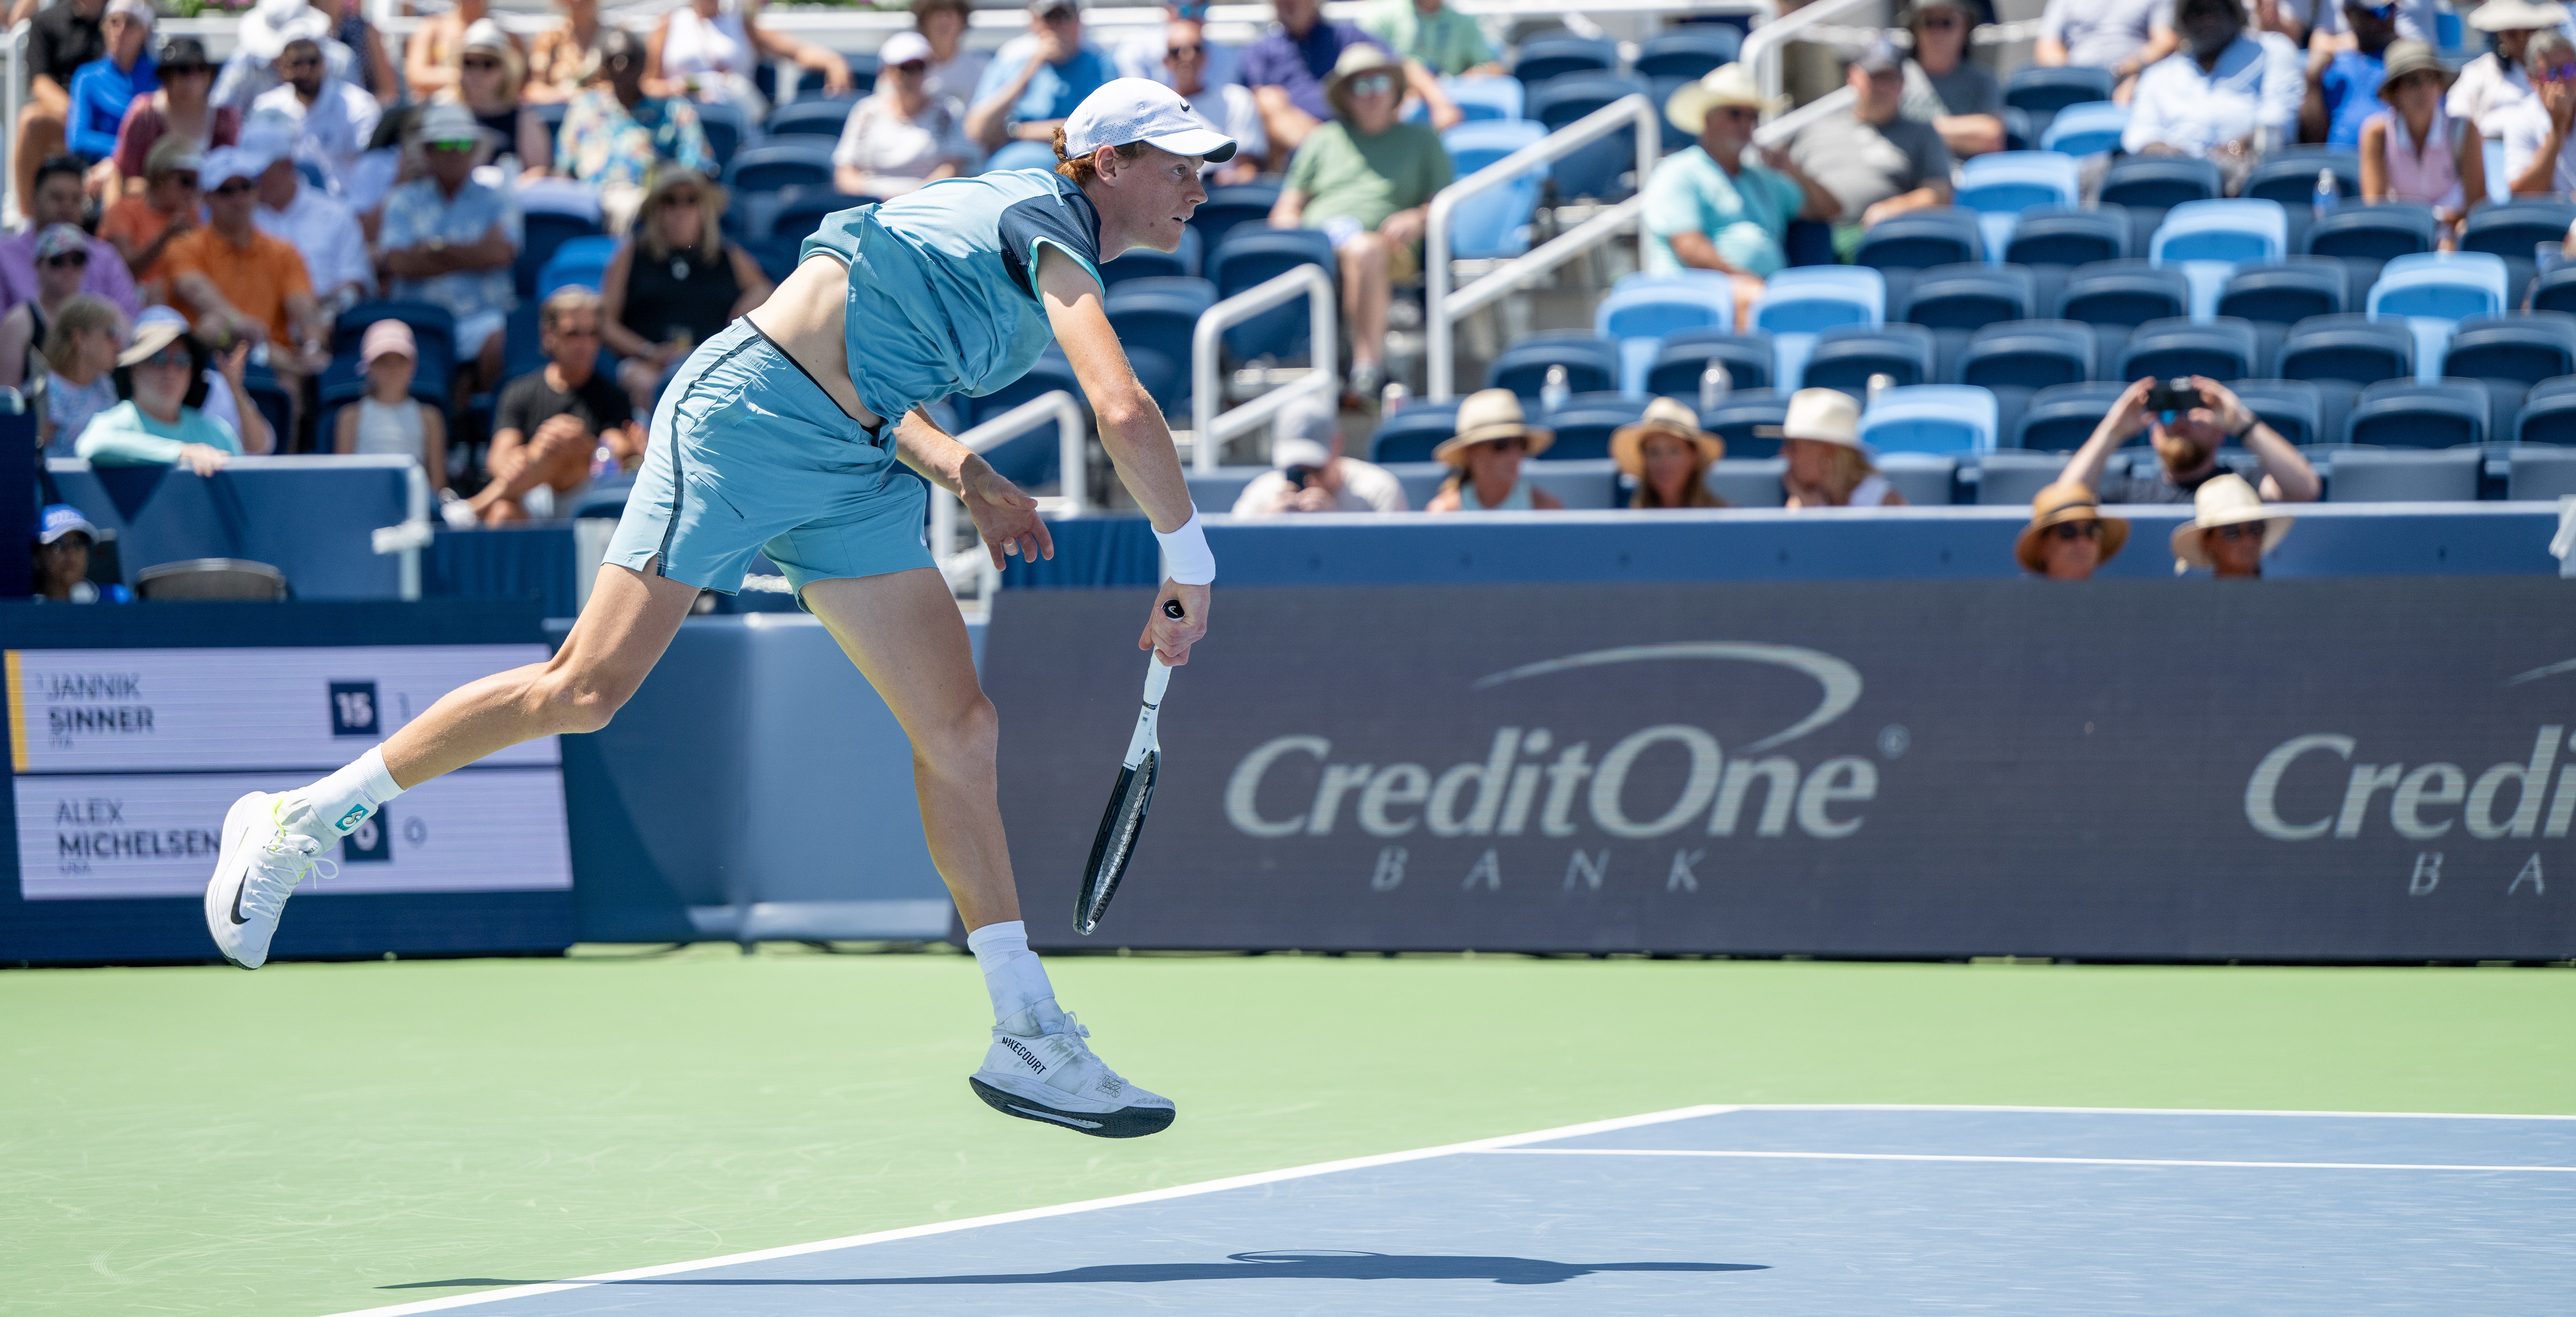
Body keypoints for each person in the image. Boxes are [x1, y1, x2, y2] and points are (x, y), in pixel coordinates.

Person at [202, 79, 1228, 1147]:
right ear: (1106, 164)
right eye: (1178, 165)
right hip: (745, 421)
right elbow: (1118, 406)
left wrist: (961, 466)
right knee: (584, 690)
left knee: (960, 730)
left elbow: (872, 358)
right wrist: (1186, 558)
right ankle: (298, 821)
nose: (1198, 189)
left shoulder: (1021, 228)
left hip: (856, 462)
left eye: (1206, 170)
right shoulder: (1039, 222)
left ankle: (1026, 1026)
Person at [1268, 45, 1450, 403]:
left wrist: (1416, 217)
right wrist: (1292, 235)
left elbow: (1444, 204)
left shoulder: (1423, 140)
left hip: (1388, 249)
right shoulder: (1322, 140)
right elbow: (1288, 207)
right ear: (1346, 96)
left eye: (1379, 81)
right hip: (1320, 249)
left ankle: (1367, 368)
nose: (1372, 93)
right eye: (1360, 86)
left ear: (1395, 89)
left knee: (1364, 249)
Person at [1646, 64, 1833, 328]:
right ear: (1707, 119)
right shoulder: (1678, 172)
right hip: (1696, 292)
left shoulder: (1764, 179)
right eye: (1735, 114)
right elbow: (1689, 247)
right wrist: (1747, 281)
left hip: (1761, 291)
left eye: (1752, 116)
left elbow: (1829, 209)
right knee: (1756, 302)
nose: (1746, 124)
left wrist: (1794, 171)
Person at [600, 169, 773, 412]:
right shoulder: (631, 255)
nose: (681, 210)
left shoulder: (729, 257)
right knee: (648, 385)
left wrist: (741, 315)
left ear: (704, 211)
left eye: (691, 200)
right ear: (656, 211)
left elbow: (769, 294)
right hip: (646, 365)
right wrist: (648, 351)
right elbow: (605, 323)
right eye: (670, 201)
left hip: (713, 365)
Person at [380, 103, 521, 398]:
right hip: (420, 318)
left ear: (474, 149)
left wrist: (433, 249)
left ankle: (483, 418)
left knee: (499, 337)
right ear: (428, 151)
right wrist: (476, 253)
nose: (454, 152)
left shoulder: (497, 199)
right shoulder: (402, 200)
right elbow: (399, 262)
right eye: (444, 143)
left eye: (463, 143)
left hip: (482, 316)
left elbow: (502, 253)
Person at [162, 147, 332, 386]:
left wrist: (314, 346)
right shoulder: (185, 246)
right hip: (211, 361)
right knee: (213, 328)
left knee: (292, 384)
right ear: (207, 197)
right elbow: (195, 290)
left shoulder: (283, 251)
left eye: (246, 187)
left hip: (274, 365)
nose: (239, 198)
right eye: (227, 191)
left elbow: (304, 306)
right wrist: (238, 324)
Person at [473, 287, 640, 523]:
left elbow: (615, 453)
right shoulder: (520, 391)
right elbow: (499, 457)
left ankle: (473, 510)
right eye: (573, 334)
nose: (585, 344)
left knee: (564, 439)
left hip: (586, 494)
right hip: (533, 492)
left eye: (592, 334)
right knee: (503, 515)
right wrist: (535, 456)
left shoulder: (613, 395)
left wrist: (579, 446)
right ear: (548, 335)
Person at [1788, 40, 1953, 255]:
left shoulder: (1921, 133)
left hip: (1879, 240)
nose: (1881, 87)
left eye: (1889, 78)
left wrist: (1894, 209)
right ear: (1852, 78)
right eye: (1874, 77)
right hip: (1811, 235)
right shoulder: (1815, 129)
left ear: (1902, 84)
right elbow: (1785, 185)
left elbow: (1940, 194)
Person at [1242, 0, 1459, 158]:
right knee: (1267, 101)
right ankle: (1332, 158)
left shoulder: (1345, 36)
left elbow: (1403, 66)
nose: (1290, 4)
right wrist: (1326, 144)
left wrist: (1441, 105)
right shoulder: (1262, 50)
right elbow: (1262, 102)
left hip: (1364, 131)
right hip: (1302, 150)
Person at [2123, 0, 2304, 187]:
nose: (2207, 19)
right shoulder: (2159, 74)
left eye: (2215, 9)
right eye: (2197, 11)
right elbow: (2141, 137)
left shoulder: (2272, 50)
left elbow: (2278, 122)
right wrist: (2189, 165)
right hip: (2177, 183)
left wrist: (2234, 152)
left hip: (2249, 176)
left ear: (2235, 13)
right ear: (2182, 21)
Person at [2060, 375, 2321, 505]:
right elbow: (2063, 502)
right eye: (2169, 414)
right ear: (2153, 435)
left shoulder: (2243, 484)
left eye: (2194, 413)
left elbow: (2304, 490)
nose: (2181, 423)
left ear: (2220, 433)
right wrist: (2111, 432)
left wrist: (2243, 423)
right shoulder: (2132, 494)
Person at [556, 29, 716, 232]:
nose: (620, 67)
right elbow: (564, 168)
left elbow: (697, 169)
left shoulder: (673, 110)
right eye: (612, 60)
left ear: (643, 64)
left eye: (628, 59)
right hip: (592, 202)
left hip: (649, 207)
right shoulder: (584, 107)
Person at [76, 314, 271, 470]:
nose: (171, 371)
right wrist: (183, 452)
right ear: (135, 370)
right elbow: (93, 444)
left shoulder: (218, 433)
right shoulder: (115, 422)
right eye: (159, 359)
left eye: (182, 361)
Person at [968, 0, 1118, 171]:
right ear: (1034, 23)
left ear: (1078, 22)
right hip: (1008, 174)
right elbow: (977, 130)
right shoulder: (1012, 58)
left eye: (1064, 17)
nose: (1056, 27)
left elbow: (1102, 127)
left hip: (1075, 176)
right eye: (1049, 17)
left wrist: (1016, 132)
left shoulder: (1100, 64)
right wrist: (1029, 72)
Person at [2361, 41, 2484, 235]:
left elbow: (2477, 210)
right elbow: (2376, 210)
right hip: (2402, 238)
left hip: (2456, 239)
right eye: (2413, 82)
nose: (2425, 89)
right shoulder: (2377, 135)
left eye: (2432, 79)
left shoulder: (2465, 130)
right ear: (2395, 92)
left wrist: (2449, 236)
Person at [647, 0, 851, 115]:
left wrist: (834, 62)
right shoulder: (669, 24)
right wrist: (675, 88)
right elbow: (648, 83)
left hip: (737, 115)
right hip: (686, 117)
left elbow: (797, 52)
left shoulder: (741, 24)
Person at [835, 31, 976, 196]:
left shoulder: (950, 110)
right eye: (905, 68)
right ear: (887, 72)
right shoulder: (866, 111)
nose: (913, 75)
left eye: (919, 67)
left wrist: (911, 198)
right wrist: (875, 198)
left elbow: (955, 166)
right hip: (869, 203)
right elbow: (845, 171)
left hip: (930, 202)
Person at [0, 156, 141, 319]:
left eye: (76, 199)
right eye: (57, 198)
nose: (67, 207)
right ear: (34, 200)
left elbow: (130, 322)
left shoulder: (105, 257)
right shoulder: (5, 257)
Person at [250, 134, 372, 312]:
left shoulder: (336, 213)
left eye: (259, 174)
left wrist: (315, 314)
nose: (253, 184)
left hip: (329, 322)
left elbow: (354, 284)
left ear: (287, 166)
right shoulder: (242, 218)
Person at [252, 33, 381, 193]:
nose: (306, 71)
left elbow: (373, 165)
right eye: (297, 64)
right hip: (287, 206)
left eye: (313, 62)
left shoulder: (358, 105)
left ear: (324, 64)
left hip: (344, 202)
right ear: (282, 68)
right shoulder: (267, 108)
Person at [108, 38, 235, 200]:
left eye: (201, 69)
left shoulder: (226, 118)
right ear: (167, 76)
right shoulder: (145, 114)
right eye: (184, 70)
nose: (194, 77)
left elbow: (233, 179)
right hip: (152, 213)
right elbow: (122, 176)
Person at [1229, 396, 1404, 514]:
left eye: (1315, 469)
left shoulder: (1379, 491)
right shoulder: (1261, 494)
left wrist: (1335, 526)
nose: (1308, 481)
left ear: (1337, 445)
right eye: (1295, 472)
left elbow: (1394, 562)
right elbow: (1230, 557)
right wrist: (1264, 528)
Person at [333, 319, 448, 492]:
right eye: (383, 362)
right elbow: (342, 480)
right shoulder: (349, 416)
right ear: (368, 367)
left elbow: (438, 484)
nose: (392, 369)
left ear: (413, 366)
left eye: (400, 361)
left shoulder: (430, 417)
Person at [16, 0, 105, 208]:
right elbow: (40, 81)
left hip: (116, 113)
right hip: (68, 117)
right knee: (31, 121)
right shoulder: (46, 21)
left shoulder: (123, 18)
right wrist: (81, 114)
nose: (122, 28)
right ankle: (30, 222)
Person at [435, 20, 546, 176]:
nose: (477, 72)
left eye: (489, 63)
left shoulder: (524, 119)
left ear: (504, 71)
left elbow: (537, 172)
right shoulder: (441, 113)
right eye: (469, 62)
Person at [0, 226, 103, 391]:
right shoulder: (20, 323)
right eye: (58, 261)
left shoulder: (101, 316)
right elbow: (7, 399)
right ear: (38, 266)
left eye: (77, 260)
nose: (68, 269)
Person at [1425, 388, 1563, 511]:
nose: (1515, 454)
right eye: (1502, 444)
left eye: (1521, 443)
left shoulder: (1546, 510)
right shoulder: (1444, 514)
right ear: (1471, 451)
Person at [1766, 388, 1903, 509]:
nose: (1784, 453)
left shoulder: (1885, 503)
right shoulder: (1800, 503)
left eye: (1793, 446)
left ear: (1830, 450)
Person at [1900, 0, 2004, 160]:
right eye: (1929, 23)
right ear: (1915, 28)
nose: (1938, 32)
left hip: (1966, 178)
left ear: (1965, 27)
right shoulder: (1895, 78)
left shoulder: (1983, 81)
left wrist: (1918, 132)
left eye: (1947, 23)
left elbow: (1991, 136)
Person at [2451, 0, 2563, 147]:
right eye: (2512, 33)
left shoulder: (2564, 72)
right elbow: (2457, 126)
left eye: (2530, 32)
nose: (2523, 40)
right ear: (2499, 36)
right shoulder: (2476, 75)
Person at [1166, 17, 1265, 183]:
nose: (1187, 56)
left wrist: (1233, 180)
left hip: (1225, 199)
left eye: (1195, 49)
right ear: (1165, 61)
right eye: (1176, 51)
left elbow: (1248, 167)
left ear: (1206, 56)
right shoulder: (1156, 108)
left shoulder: (1236, 99)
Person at [215, 0, 358, 114]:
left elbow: (355, 113)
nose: (303, 70)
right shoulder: (245, 61)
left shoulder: (340, 61)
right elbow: (222, 110)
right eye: (296, 63)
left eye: (311, 62)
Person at [100, 137, 197, 302]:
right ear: (160, 178)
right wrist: (166, 237)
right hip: (129, 299)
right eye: (186, 181)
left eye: (196, 182)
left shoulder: (191, 215)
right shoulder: (123, 210)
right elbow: (127, 271)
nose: (192, 190)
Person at [64, 0, 154, 167]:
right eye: (114, 22)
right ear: (104, 27)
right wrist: (126, 152)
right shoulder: (87, 77)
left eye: (131, 23)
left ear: (146, 32)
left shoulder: (163, 77)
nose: (121, 30)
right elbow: (78, 140)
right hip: (101, 173)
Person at [33, 294, 121, 456]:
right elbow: (35, 459)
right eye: (111, 334)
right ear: (80, 338)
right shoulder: (46, 390)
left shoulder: (105, 385)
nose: (118, 344)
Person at [2034, 0, 2174, 102]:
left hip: (2135, 79)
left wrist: (2130, 68)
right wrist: (2073, 78)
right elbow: (2047, 47)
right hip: (2081, 84)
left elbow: (2165, 41)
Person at [2303, 0, 2397, 149]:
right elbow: (2313, 142)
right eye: (2377, 12)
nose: (2387, 19)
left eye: (2391, 9)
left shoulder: (2405, 63)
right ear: (2349, 14)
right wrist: (2313, 80)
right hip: (2338, 168)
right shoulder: (2330, 66)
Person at [1613, 396, 1727, 509]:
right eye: (1654, 452)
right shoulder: (1629, 522)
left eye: (1674, 451)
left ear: (1694, 456)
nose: (1664, 463)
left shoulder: (1726, 521)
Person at [2172, 472, 2291, 577]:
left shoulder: (2285, 601)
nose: (2248, 541)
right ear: (2208, 542)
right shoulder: (2198, 602)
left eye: (2256, 529)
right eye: (2232, 531)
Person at [2502, 33, 2576, 196]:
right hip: (2549, 219)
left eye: (2570, 70)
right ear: (2532, 79)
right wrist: (2558, 126)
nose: (2562, 81)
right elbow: (2522, 192)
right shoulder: (2521, 118)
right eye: (2552, 73)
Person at [404, 0, 520, 102]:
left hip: (491, 115)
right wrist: (463, 77)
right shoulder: (433, 28)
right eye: (469, 63)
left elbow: (517, 80)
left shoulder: (507, 35)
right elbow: (416, 76)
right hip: (439, 112)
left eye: (488, 63)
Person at [2014, 482, 2128, 580]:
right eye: (2068, 531)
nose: (2082, 541)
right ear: (2043, 545)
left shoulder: (2113, 603)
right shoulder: (2022, 603)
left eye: (2092, 530)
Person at [1358, 0, 1499, 78]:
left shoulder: (1464, 22)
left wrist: (1471, 77)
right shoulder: (1381, 16)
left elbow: (1495, 68)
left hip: (1451, 104)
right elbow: (1364, 67)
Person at [29, 504, 129, 603]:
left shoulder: (118, 601)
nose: (71, 552)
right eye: (58, 544)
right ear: (37, 557)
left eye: (79, 543)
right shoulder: (27, 611)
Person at [914, 0, 989, 110]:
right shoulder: (907, 68)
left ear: (963, 21)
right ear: (924, 21)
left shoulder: (982, 69)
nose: (944, 21)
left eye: (950, 14)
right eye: (937, 13)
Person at [527, 0, 607, 102]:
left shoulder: (614, 38)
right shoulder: (549, 38)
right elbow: (534, 88)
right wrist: (559, 95)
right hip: (559, 113)